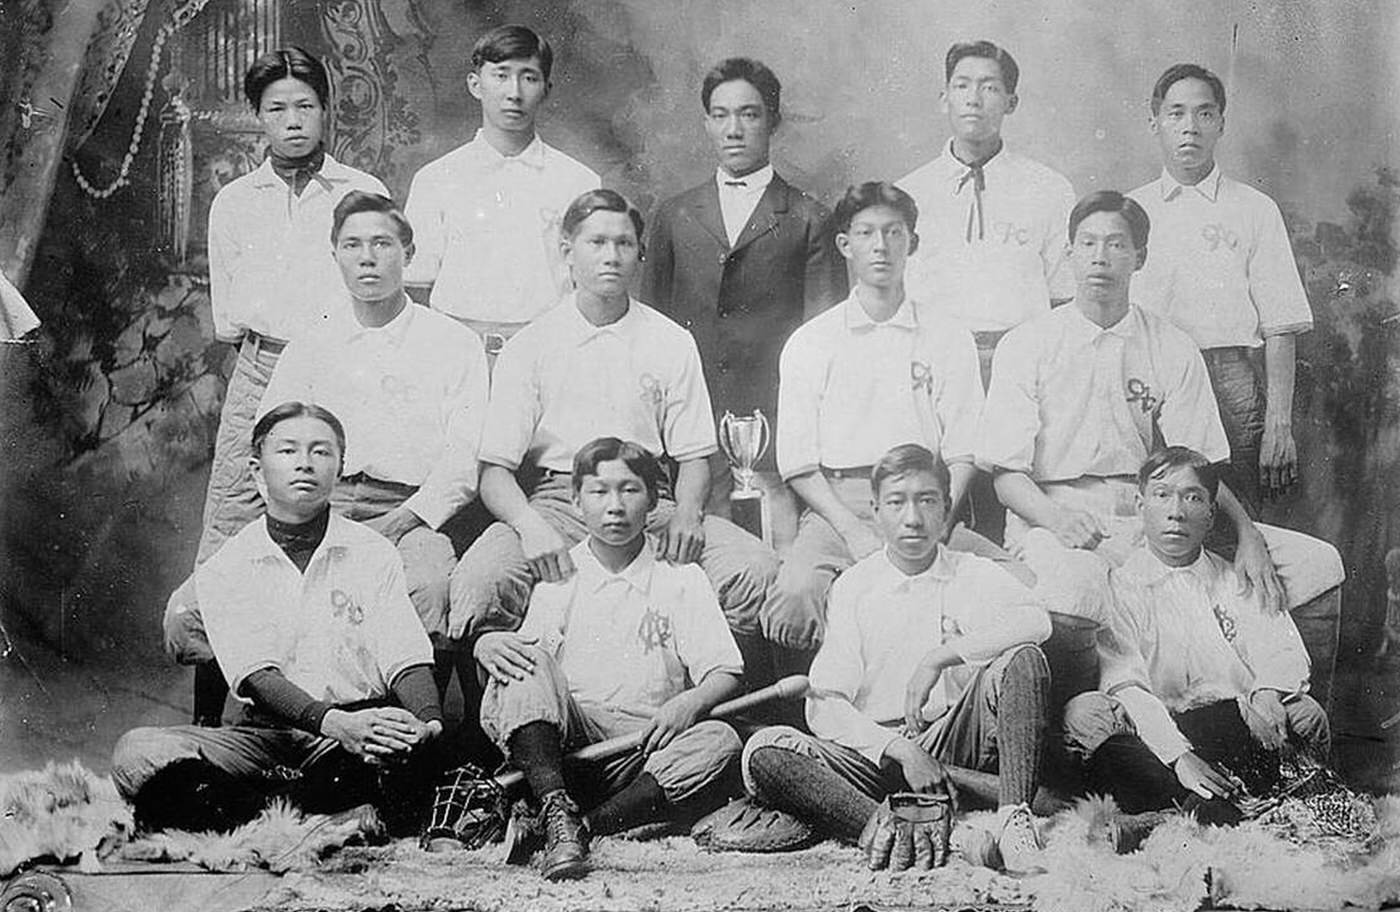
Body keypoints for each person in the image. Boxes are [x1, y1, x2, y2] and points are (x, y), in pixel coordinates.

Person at [167, 192, 488, 721]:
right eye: (353, 245)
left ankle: (412, 730)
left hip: (409, 514)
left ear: (409, 253)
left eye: (382, 244)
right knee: (191, 607)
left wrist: (400, 521)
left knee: (430, 587)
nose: (368, 258)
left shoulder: (453, 343)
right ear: (334, 254)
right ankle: (261, 720)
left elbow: (464, 459)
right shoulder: (312, 342)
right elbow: (270, 436)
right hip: (315, 509)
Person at [449, 189, 777, 679]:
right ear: (567, 252)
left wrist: (688, 514)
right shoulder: (532, 345)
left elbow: (693, 456)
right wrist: (530, 526)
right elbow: (494, 472)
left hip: (650, 500)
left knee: (754, 570)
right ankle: (508, 717)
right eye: (597, 242)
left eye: (624, 244)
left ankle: (716, 701)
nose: (611, 256)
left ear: (639, 254)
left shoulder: (670, 340)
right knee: (481, 580)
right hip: (559, 503)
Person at [977, 190, 1343, 625]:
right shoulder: (1026, 344)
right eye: (1088, 243)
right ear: (1069, 253)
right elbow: (1007, 477)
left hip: (1149, 511)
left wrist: (1247, 532)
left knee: (1315, 565)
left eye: (1116, 244)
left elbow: (1197, 467)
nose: (1100, 258)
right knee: (1080, 588)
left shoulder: (1170, 344)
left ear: (1140, 257)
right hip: (1049, 515)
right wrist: (1058, 520)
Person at [114, 402, 444, 834]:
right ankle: (311, 815)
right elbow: (257, 677)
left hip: (355, 734)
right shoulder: (226, 566)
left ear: (340, 470)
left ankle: (258, 810)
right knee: (137, 753)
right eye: (288, 451)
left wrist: (428, 723)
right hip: (268, 737)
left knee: (405, 758)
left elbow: (405, 656)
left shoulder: (373, 552)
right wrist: (334, 724)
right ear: (257, 471)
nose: (305, 463)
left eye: (321, 452)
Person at [738, 444, 1053, 874]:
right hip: (877, 756)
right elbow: (825, 703)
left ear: (946, 508)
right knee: (765, 749)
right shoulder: (855, 586)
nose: (913, 518)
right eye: (896, 502)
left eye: (927, 500)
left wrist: (940, 657)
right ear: (876, 511)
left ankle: (1014, 821)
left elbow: (1037, 620)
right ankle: (909, 829)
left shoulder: (972, 571)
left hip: (952, 738)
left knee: (1023, 657)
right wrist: (899, 750)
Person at [764, 181, 1024, 675]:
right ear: (845, 245)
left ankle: (956, 704)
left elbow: (964, 450)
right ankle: (817, 714)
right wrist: (852, 531)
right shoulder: (812, 341)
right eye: (866, 233)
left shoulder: (946, 335)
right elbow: (797, 463)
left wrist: (939, 522)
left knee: (1020, 587)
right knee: (796, 594)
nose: (880, 246)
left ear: (913, 242)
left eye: (893, 232)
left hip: (926, 502)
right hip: (841, 507)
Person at [475, 437, 744, 880]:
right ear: (576, 501)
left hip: (648, 745)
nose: (615, 506)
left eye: (630, 490)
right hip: (572, 744)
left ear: (653, 501)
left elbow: (725, 671)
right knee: (524, 664)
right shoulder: (560, 575)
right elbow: (529, 675)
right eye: (599, 492)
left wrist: (689, 702)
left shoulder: (681, 576)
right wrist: (487, 645)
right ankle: (554, 802)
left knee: (719, 740)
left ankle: (580, 827)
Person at [1062, 447, 1330, 815]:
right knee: (1084, 714)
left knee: (1306, 715)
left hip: (1236, 725)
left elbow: (1283, 650)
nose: (1176, 512)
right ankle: (1203, 805)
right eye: (1162, 495)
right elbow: (1125, 684)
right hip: (1159, 731)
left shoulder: (1234, 578)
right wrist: (1179, 756)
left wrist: (1267, 693)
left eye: (1192, 497)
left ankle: (1199, 810)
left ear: (1211, 513)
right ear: (1140, 505)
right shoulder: (1122, 585)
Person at [199, 47, 388, 565]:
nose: (293, 121)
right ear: (258, 116)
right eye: (277, 109)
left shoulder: (362, 192)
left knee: (337, 499)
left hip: (341, 367)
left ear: (325, 109)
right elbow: (228, 319)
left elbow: (382, 294)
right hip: (259, 368)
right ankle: (221, 616)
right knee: (236, 506)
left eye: (305, 106)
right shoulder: (235, 200)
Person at [641, 57, 846, 532]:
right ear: (707, 124)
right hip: (688, 436)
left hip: (776, 435)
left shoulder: (809, 218)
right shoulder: (674, 216)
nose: (733, 129)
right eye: (721, 115)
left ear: (773, 121)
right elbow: (650, 333)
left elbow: (823, 346)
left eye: (749, 114)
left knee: (775, 552)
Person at [1129, 64, 1313, 513]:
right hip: (1149, 378)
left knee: (1235, 517)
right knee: (1155, 516)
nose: (1190, 127)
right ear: (1155, 123)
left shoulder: (1254, 209)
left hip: (1229, 383)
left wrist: (1279, 425)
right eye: (1176, 113)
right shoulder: (1131, 210)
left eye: (1204, 113)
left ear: (1221, 124)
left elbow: (1281, 325)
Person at [403, 24, 599, 359]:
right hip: (456, 354)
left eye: (529, 77)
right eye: (501, 75)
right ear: (475, 84)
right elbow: (414, 286)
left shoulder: (579, 182)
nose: (514, 92)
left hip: (549, 352)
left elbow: (591, 289)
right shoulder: (435, 179)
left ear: (546, 89)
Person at [899, 40, 1077, 387]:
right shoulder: (909, 194)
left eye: (990, 88)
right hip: (934, 365)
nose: (974, 99)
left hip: (1025, 365)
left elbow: (1064, 297)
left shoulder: (1049, 189)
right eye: (962, 86)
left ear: (1011, 102)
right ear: (944, 98)